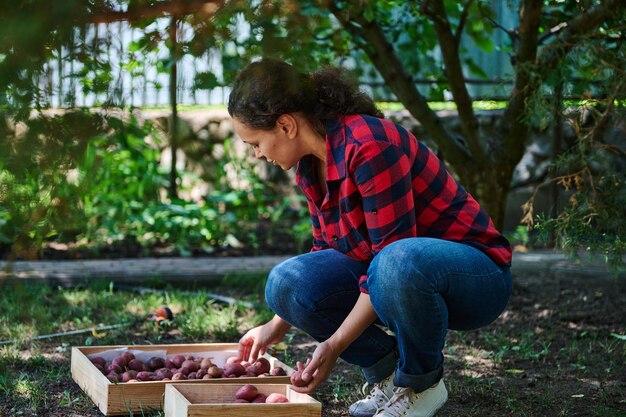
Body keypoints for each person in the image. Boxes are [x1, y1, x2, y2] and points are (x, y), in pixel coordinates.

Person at [228, 58, 512, 417]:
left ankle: (421, 384)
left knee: (396, 261)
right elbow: (326, 252)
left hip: (476, 277)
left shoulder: (368, 145)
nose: (257, 154)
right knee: (287, 283)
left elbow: (391, 258)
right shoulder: (310, 165)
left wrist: (333, 345)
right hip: (397, 271)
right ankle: (391, 376)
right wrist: (276, 324)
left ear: (285, 125)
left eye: (255, 142)